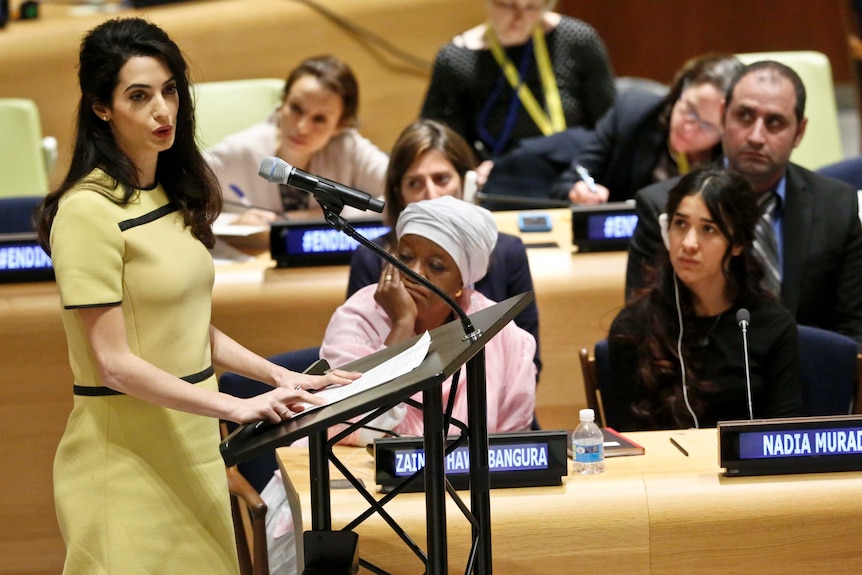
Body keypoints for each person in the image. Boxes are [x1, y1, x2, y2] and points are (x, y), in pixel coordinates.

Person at [34, 18, 357, 574]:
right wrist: (236, 406)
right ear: (101, 108)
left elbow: (186, 328)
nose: (163, 110)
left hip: (193, 446)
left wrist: (279, 377)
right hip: (124, 461)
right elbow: (113, 363)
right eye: (139, 96)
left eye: (169, 90)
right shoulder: (86, 211)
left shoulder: (166, 191)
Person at [626, 60, 862, 347]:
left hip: (805, 380)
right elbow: (645, 331)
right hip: (699, 382)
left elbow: (852, 333)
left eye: (774, 122)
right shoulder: (661, 206)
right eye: (745, 116)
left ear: (799, 132)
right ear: (724, 116)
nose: (755, 137)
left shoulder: (838, 207)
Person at [322, 195, 537, 441]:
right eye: (404, 257)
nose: (413, 273)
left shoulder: (500, 332)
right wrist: (402, 324)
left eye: (435, 266)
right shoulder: (357, 317)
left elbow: (511, 444)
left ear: (461, 283)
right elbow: (349, 428)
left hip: (463, 477)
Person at [606, 169, 801, 431]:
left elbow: (782, 438)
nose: (688, 243)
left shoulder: (772, 326)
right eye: (680, 224)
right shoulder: (633, 327)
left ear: (737, 243)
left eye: (708, 229)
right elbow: (626, 444)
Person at [346, 119, 541, 371]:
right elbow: (357, 386)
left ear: (467, 184)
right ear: (398, 193)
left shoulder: (507, 252)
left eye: (441, 179)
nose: (431, 194)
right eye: (415, 183)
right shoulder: (372, 257)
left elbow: (528, 363)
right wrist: (403, 322)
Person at [420, 0, 614, 186]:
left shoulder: (577, 39)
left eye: (531, 7)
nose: (520, 18)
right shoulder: (455, 59)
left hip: (574, 170)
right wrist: (473, 169)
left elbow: (609, 123)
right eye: (508, 5)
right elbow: (439, 138)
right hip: (502, 177)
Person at [206, 55, 388, 224]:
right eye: (296, 108)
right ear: (282, 104)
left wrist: (304, 218)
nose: (302, 127)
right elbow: (182, 207)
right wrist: (232, 222)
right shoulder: (238, 151)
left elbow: (406, 195)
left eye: (319, 119)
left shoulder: (348, 147)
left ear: (340, 125)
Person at [549, 53, 742, 204]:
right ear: (680, 92)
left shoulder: (738, 159)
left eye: (707, 125)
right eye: (689, 110)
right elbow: (564, 185)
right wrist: (579, 192)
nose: (689, 127)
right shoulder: (633, 114)